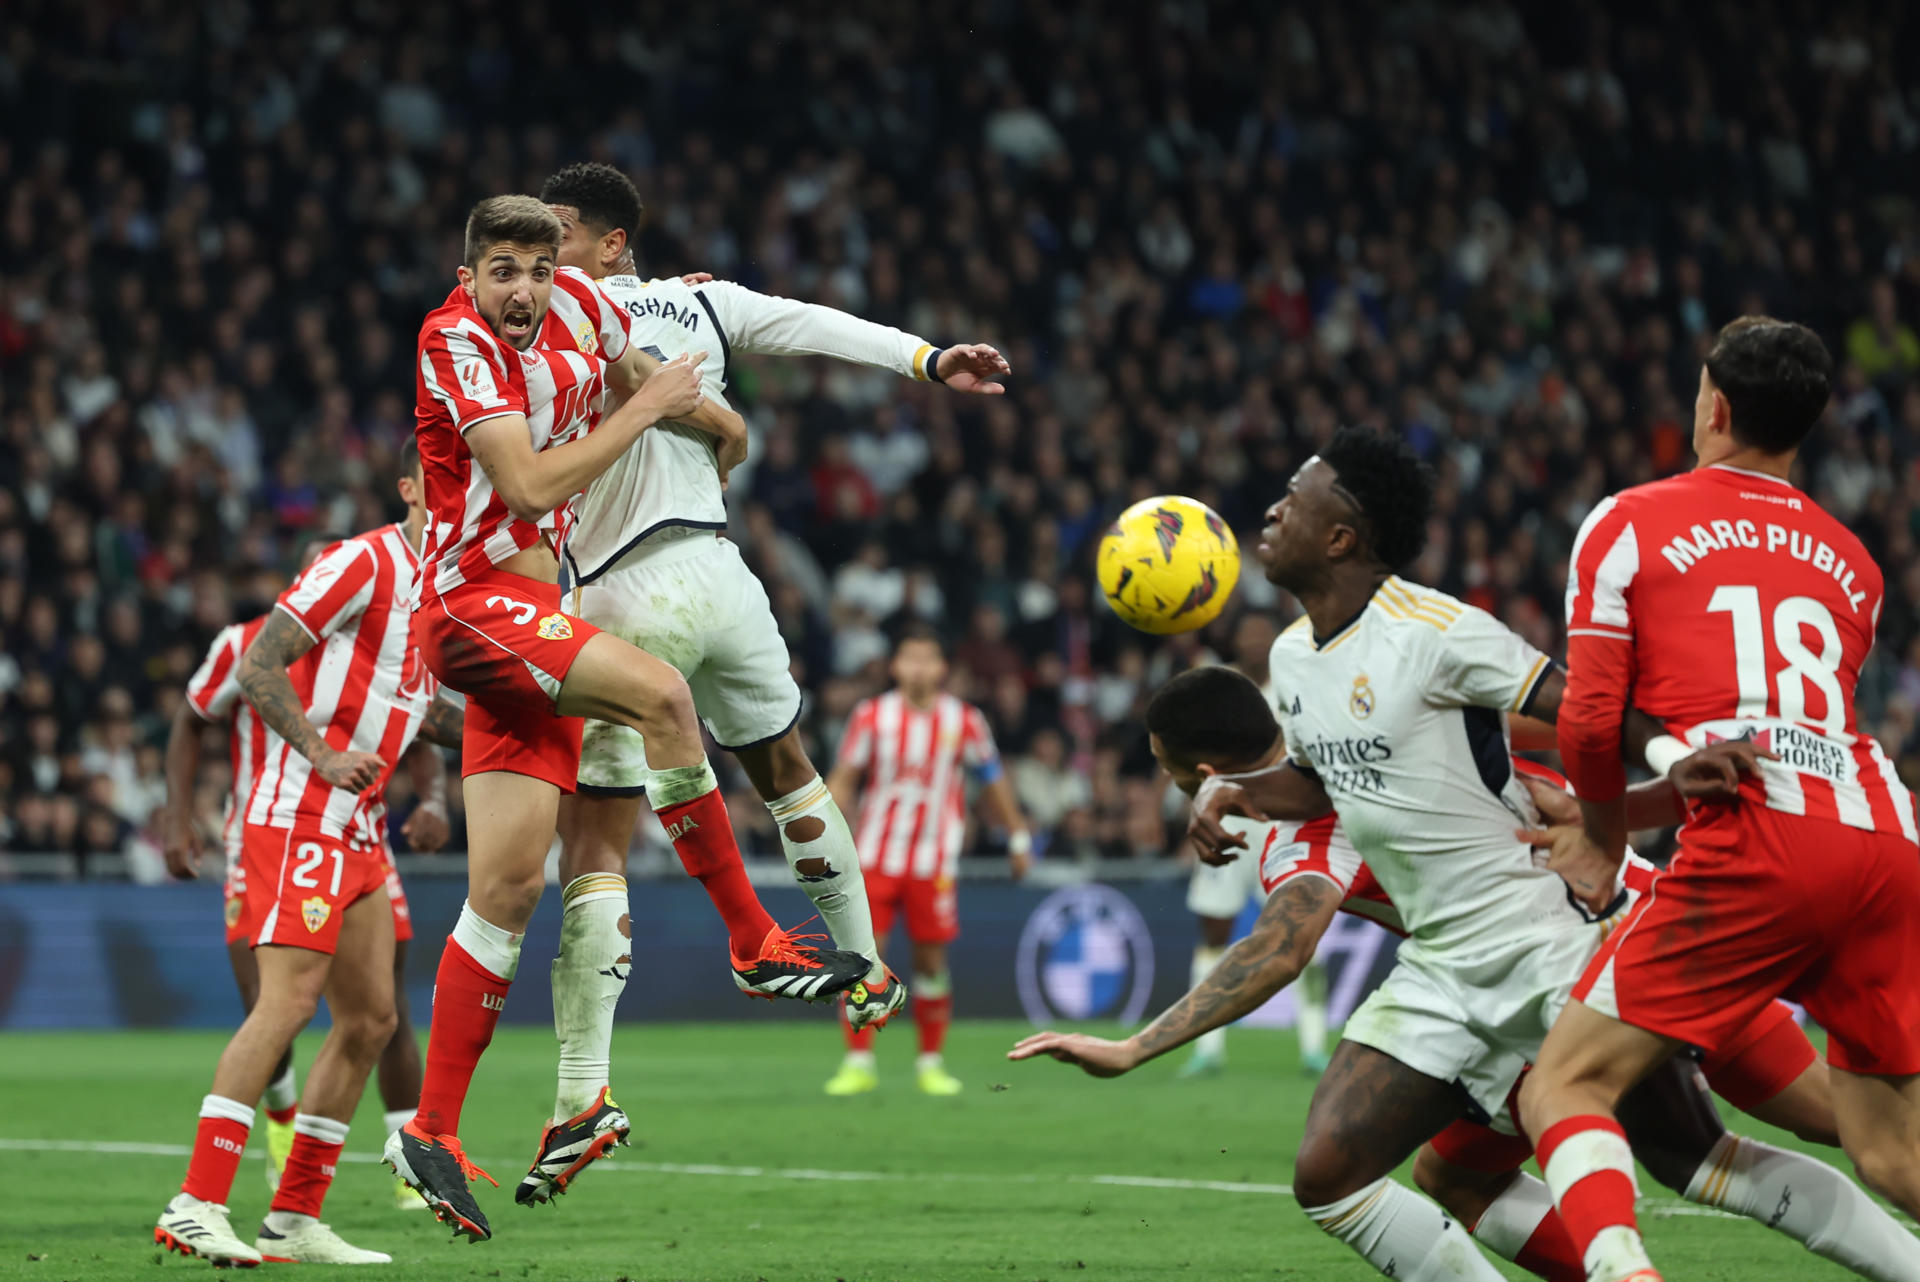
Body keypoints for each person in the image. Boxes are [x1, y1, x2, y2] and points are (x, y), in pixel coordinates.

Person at [1116, 427, 1917, 1281]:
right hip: (1469, 970)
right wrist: (1239, 792)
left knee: (1802, 1130)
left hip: (1595, 930)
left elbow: (1577, 712)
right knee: (1439, 1174)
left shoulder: (1430, 639)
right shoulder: (1300, 669)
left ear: (1342, 536)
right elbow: (1327, 780)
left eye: (1293, 495)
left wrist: (1665, 762)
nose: (1272, 510)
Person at [1016, 665, 1884, 1282]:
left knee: (1719, 1152)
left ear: (1200, 772)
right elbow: (1551, 721)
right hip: (1643, 921)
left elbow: (1279, 948)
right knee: (1456, 1175)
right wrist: (1649, 766)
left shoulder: (1307, 831)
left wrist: (1134, 1047)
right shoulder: (1362, 716)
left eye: (1168, 765)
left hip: (1566, 966)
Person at [387, 195, 869, 1243]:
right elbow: (527, 485)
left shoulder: (584, 311)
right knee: (663, 697)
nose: (524, 289)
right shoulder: (452, 340)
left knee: (507, 891)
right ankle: (752, 939)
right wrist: (646, 410)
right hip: (474, 607)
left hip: (539, 621)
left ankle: (429, 1130)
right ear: (469, 278)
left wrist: (720, 425)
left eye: (539, 269)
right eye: (502, 270)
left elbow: (649, 377)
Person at [528, 161, 1012, 1155]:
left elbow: (609, 377)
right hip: (723, 573)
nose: (543, 250)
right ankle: (866, 967)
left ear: (611, 243)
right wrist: (928, 361)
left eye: (560, 231)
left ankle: (582, 1093)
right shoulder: (705, 300)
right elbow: (815, 324)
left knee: (596, 841)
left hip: (623, 587)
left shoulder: (553, 306)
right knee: (788, 768)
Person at [1520, 317, 1920, 1282]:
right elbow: (1776, 742)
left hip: (1764, 849)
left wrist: (1602, 838)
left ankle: (1624, 1273)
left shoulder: (1627, 521)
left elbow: (1588, 720)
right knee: (1891, 1153)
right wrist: (1632, 814)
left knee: (1564, 1083)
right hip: (1886, 839)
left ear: (1715, 407)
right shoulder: (1855, 564)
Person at [154, 446, 461, 1266]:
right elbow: (259, 663)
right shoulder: (365, 560)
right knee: (286, 1004)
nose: (470, 485)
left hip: (360, 827)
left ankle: (294, 1216)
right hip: (299, 813)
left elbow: (426, 715)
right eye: (450, 471)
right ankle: (196, 1201)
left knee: (372, 1019)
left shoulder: (444, 588)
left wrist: (547, 723)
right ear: (410, 487)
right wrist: (321, 755)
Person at [821, 624, 1032, 1096]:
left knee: (931, 963)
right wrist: (822, 833)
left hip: (933, 862)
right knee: (862, 958)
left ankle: (931, 1063)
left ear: (942, 668)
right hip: (875, 856)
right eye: (910, 658)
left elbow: (993, 777)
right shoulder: (872, 716)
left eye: (927, 659)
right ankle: (858, 1061)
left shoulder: (965, 720)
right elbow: (845, 777)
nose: (918, 668)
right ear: (895, 666)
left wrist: (1018, 835)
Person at [1178, 611, 1331, 1079]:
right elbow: (1189, 758)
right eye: (1248, 633)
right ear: (1236, 640)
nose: (1255, 641)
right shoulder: (1216, 689)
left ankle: (1314, 1047)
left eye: (1263, 634)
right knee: (1214, 931)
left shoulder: (1294, 683)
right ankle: (1207, 1048)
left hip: (1283, 824)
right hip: (1227, 822)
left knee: (1303, 932)